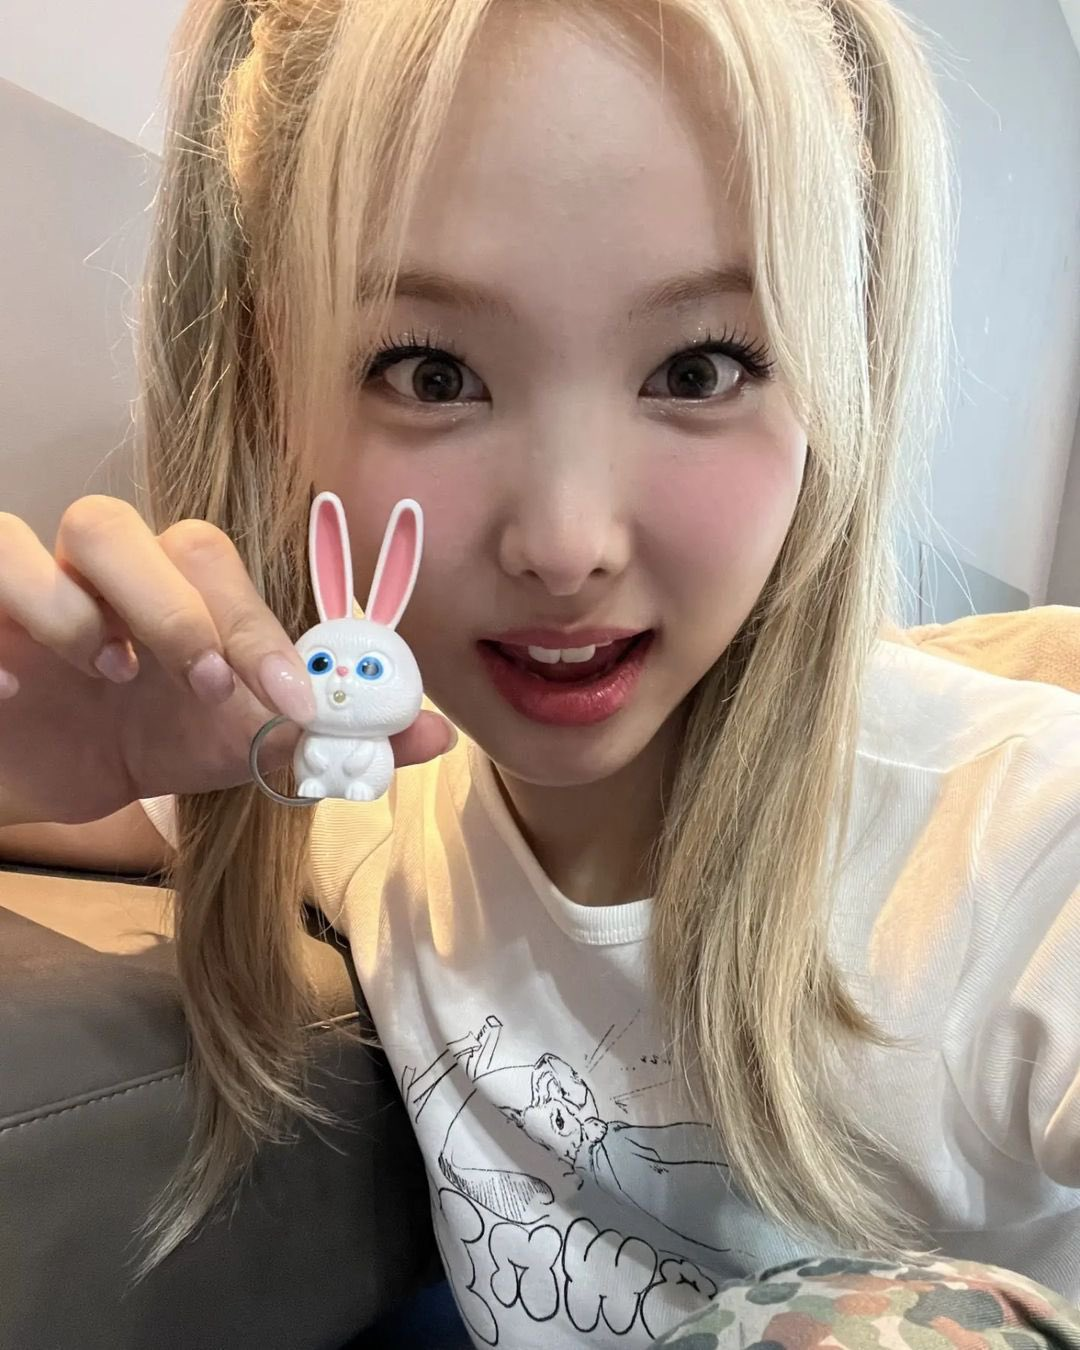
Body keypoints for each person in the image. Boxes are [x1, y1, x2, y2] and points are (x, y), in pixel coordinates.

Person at [0, 0, 1077, 1345]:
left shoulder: (1022, 844)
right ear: (281, 385)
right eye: (431, 372)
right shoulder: (370, 792)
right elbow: (79, 800)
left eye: (701, 367)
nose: (566, 544)